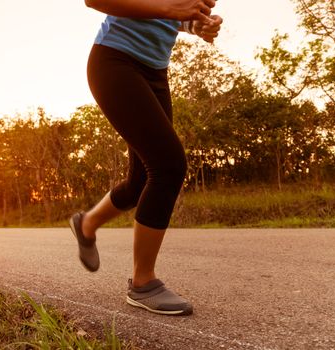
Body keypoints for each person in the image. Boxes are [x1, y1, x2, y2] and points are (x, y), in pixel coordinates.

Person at [69, 0, 223, 316]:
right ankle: (143, 283)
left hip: (155, 71)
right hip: (115, 62)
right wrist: (170, 10)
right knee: (168, 166)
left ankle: (87, 224)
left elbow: (180, 18)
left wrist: (200, 26)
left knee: (141, 180)